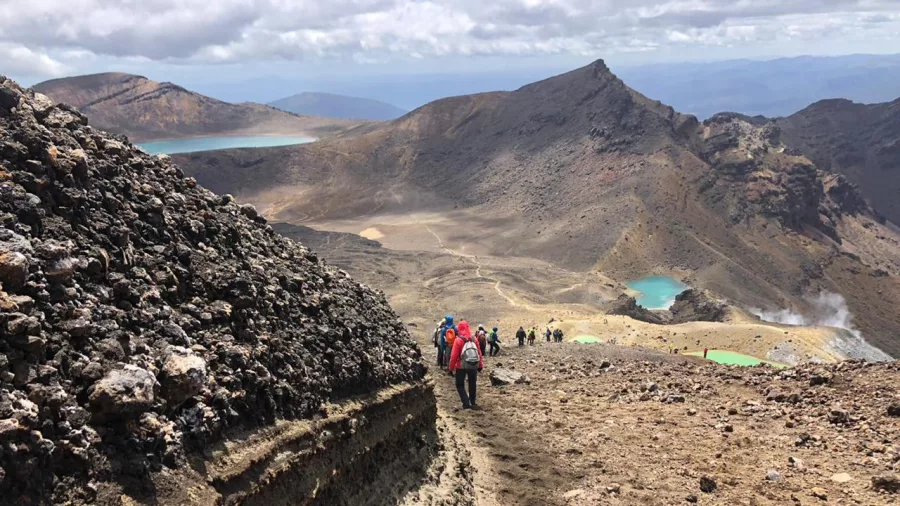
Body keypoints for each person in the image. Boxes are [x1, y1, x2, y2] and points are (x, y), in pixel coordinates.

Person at [448, 320, 484, 409]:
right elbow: (479, 353)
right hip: (473, 364)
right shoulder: (474, 339)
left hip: (461, 366)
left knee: (460, 385)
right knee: (472, 383)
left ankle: (466, 403)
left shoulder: (458, 340)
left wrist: (451, 368)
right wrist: (480, 365)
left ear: (459, 328)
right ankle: (473, 402)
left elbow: (453, 356)